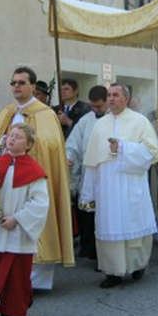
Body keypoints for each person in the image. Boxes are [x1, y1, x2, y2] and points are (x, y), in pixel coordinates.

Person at [0, 66, 74, 290]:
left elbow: (51, 144)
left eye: (21, 82)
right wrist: (1, 143)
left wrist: (26, 142)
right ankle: (7, 279)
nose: (17, 87)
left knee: (33, 218)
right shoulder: (7, 112)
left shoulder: (45, 113)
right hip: (8, 179)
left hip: (33, 179)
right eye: (13, 83)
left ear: (32, 86)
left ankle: (36, 281)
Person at [80, 83, 158, 288]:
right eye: (109, 95)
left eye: (115, 95)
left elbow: (151, 153)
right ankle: (112, 271)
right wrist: (87, 192)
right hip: (107, 186)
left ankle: (137, 265)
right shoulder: (100, 125)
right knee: (109, 224)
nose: (111, 98)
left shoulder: (140, 121)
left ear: (126, 99)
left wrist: (124, 148)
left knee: (133, 221)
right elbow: (92, 162)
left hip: (131, 183)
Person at [0, 123, 49, 316]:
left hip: (17, 231)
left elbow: (40, 203)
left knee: (14, 275)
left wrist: (18, 219)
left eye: (18, 137)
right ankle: (11, 303)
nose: (12, 139)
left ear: (29, 144)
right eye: (10, 136)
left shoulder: (34, 171)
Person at [66, 85, 108, 262]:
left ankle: (102, 251)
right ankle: (88, 246)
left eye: (99, 106)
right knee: (86, 212)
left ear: (107, 102)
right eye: (93, 106)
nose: (95, 110)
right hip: (87, 174)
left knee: (103, 215)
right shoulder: (86, 120)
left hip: (107, 176)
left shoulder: (115, 120)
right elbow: (73, 142)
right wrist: (69, 156)